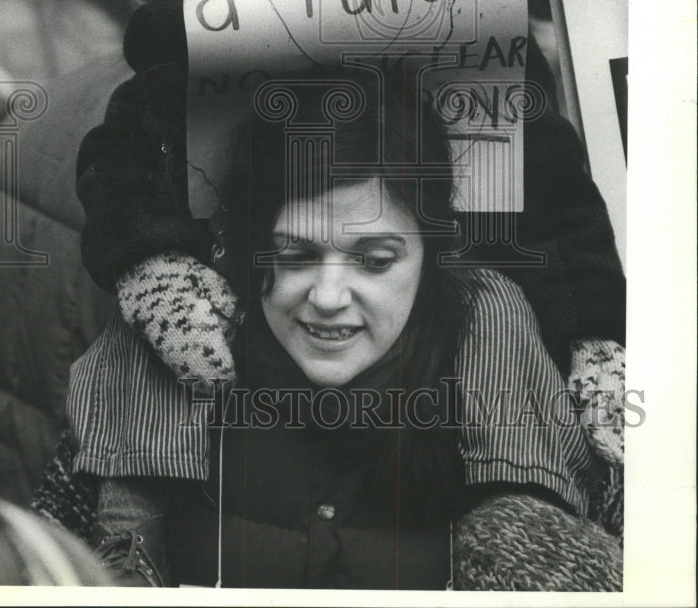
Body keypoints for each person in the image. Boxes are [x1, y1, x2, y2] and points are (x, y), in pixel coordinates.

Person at [66, 0, 625, 583]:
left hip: (425, 317)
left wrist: (595, 345)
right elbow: (125, 159)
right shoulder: (190, 27)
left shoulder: (457, 28)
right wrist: (157, 268)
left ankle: (525, 522)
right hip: (251, 306)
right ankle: (125, 526)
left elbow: (550, 198)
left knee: (504, 313)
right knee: (135, 345)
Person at [69, 71, 621, 590]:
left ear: (433, 257)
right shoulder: (158, 365)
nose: (328, 298)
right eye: (294, 255)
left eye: (376, 261)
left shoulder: (500, 351)